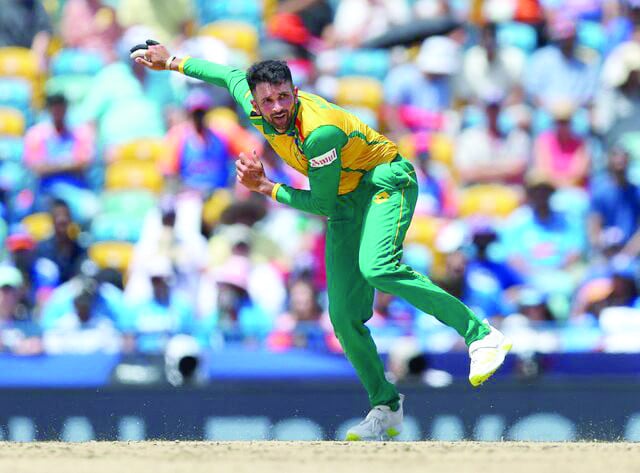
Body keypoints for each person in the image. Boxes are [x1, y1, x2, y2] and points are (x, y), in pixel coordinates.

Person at [132, 40, 512, 441]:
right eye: (268, 100)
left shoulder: (319, 133)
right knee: (344, 318)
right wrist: (173, 62)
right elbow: (226, 75)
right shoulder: (251, 99)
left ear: (295, 93)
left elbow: (320, 202)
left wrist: (266, 187)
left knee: (378, 267)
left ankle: (480, 334)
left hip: (385, 182)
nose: (277, 108)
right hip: (345, 202)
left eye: (283, 97)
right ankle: (386, 405)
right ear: (255, 102)